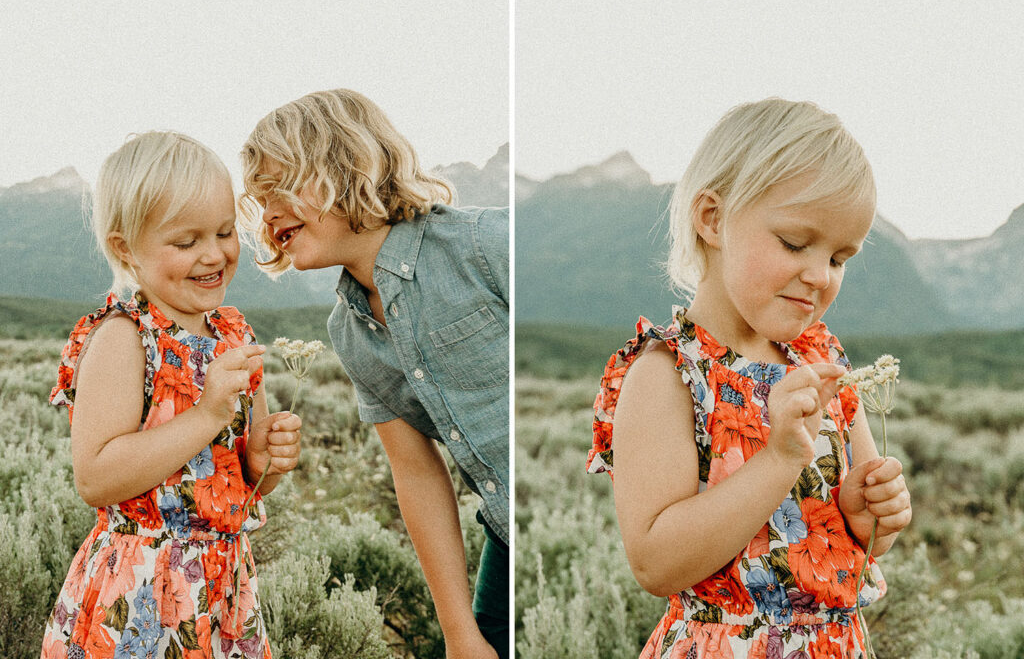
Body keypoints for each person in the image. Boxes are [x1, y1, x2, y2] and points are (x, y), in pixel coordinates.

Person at [586, 99, 913, 658]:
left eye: (839, 258)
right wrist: (780, 457)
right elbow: (656, 562)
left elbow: (853, 547)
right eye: (794, 243)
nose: (818, 275)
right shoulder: (669, 374)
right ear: (713, 219)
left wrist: (869, 519)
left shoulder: (819, 357)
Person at [239, 88, 509, 659]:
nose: (268, 215)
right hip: (505, 546)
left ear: (346, 165)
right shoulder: (350, 331)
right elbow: (415, 473)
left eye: (278, 189)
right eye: (260, 202)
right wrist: (461, 634)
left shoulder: (487, 246)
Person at [41, 132, 302, 659]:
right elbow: (95, 477)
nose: (213, 255)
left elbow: (243, 484)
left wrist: (265, 461)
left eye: (226, 232)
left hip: (222, 590)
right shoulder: (124, 336)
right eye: (186, 242)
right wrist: (206, 415)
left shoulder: (234, 336)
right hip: (140, 594)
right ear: (125, 249)